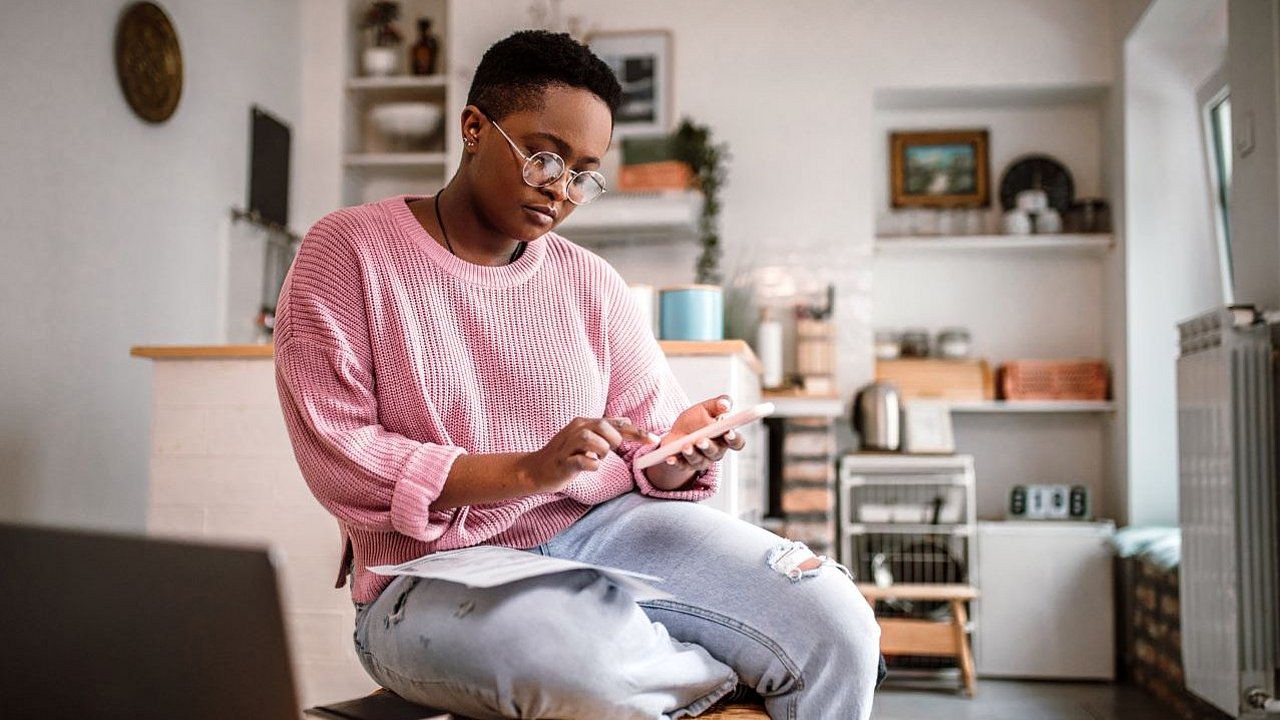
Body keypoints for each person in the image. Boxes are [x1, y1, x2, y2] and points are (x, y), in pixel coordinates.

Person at [274, 29, 881, 720]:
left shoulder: (589, 280)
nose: (560, 191)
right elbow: (342, 457)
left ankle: (689, 673)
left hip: (604, 533)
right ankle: (724, 691)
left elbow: (646, 450)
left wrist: (676, 452)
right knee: (573, 657)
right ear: (473, 128)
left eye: (584, 173)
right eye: (543, 158)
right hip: (424, 578)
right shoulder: (348, 250)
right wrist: (527, 472)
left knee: (836, 623)